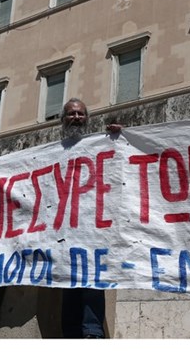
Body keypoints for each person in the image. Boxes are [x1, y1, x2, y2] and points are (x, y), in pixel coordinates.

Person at [59, 98, 122, 339]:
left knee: (93, 281)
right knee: (68, 282)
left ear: (87, 118)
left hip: (93, 229)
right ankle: (71, 334)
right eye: (71, 114)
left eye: (80, 114)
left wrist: (121, 138)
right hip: (64, 232)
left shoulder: (100, 143)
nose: (76, 117)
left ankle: (92, 333)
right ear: (63, 119)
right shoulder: (52, 151)